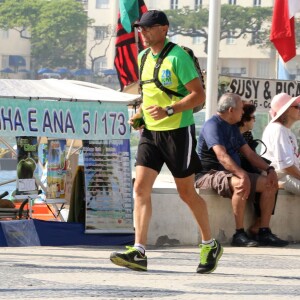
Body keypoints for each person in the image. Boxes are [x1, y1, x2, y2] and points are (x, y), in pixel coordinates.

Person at [110, 10, 223, 274]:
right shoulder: (142, 57)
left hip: (177, 132)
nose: (143, 33)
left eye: (148, 28)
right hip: (150, 133)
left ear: (164, 29)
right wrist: (140, 115)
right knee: (140, 189)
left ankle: (209, 243)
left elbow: (199, 96)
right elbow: (150, 93)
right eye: (140, 29)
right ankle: (138, 250)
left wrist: (170, 110)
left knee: (186, 193)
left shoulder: (178, 56)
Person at [195, 92, 288, 247]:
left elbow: (250, 154)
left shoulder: (232, 127)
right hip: (209, 174)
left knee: (270, 183)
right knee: (240, 183)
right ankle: (239, 234)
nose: (243, 112)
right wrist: (241, 174)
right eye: (240, 109)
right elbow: (221, 156)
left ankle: (263, 231)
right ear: (231, 110)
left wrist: (269, 169)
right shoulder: (213, 125)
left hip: (231, 173)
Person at [261, 93, 300, 195]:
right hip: (280, 177)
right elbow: (286, 165)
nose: (299, 109)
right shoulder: (278, 129)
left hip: (288, 175)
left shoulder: (286, 131)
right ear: (286, 110)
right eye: (297, 107)